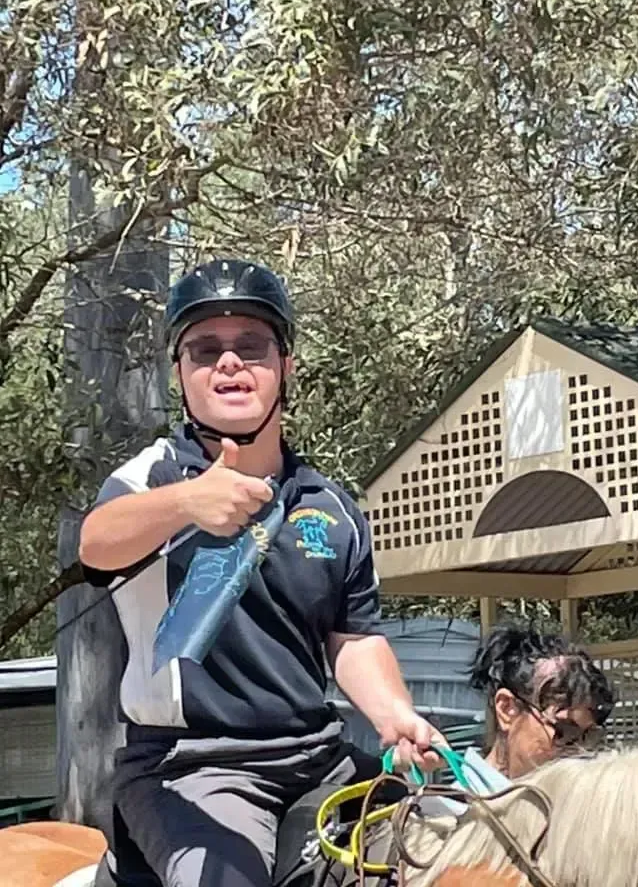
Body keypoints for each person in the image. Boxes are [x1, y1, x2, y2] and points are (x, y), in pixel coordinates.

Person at [79, 257, 444, 887]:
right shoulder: (150, 480)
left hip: (319, 758)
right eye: (204, 349)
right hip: (190, 766)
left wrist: (394, 716)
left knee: (461, 844)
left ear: (285, 365)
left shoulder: (331, 509)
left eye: (251, 345)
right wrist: (184, 504)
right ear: (180, 374)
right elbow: (97, 545)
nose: (228, 362)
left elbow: (353, 638)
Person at [468, 621, 616, 779]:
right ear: (506, 709)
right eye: (564, 732)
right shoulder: (453, 803)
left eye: (589, 736)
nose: (579, 753)